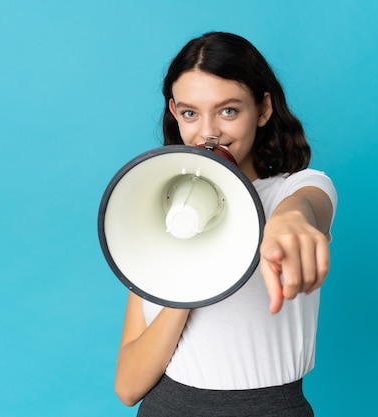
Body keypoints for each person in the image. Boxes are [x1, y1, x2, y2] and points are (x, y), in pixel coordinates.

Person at [114, 32, 337, 416]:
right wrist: (191, 269)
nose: (208, 132)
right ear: (173, 112)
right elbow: (129, 387)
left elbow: (307, 206)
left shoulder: (296, 188)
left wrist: (290, 220)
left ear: (263, 109)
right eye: (190, 113)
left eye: (228, 111)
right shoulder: (153, 212)